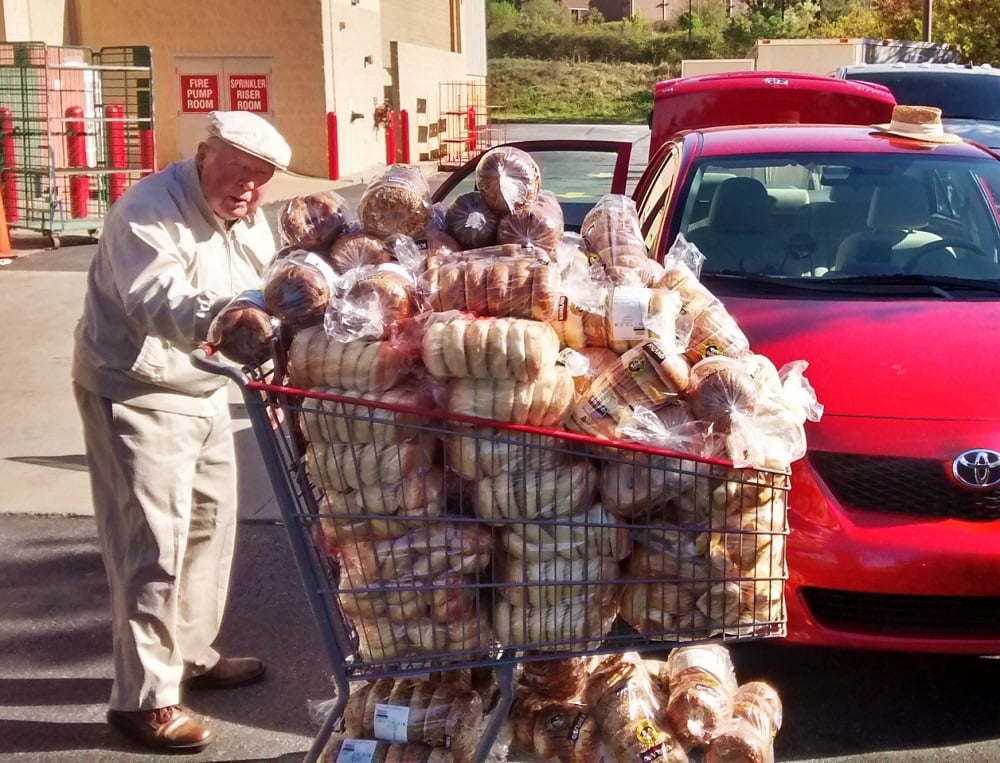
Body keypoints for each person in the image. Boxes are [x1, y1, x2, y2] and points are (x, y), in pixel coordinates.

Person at [71, 110, 291, 753]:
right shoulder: (148, 210)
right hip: (137, 389)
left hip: (206, 386)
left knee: (208, 532)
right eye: (239, 170)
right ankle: (144, 700)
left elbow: (270, 292)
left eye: (261, 177)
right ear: (204, 154)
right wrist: (232, 318)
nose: (248, 187)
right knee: (152, 547)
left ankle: (189, 655)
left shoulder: (249, 220)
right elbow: (156, 298)